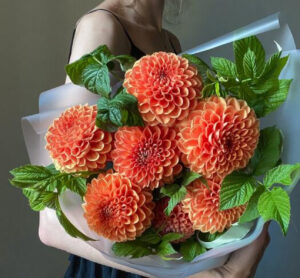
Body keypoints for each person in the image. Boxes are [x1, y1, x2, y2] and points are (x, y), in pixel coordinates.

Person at [39, 0, 271, 277]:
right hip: (116, 268)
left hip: (157, 256)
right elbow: (52, 223)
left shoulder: (169, 41)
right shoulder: (101, 27)